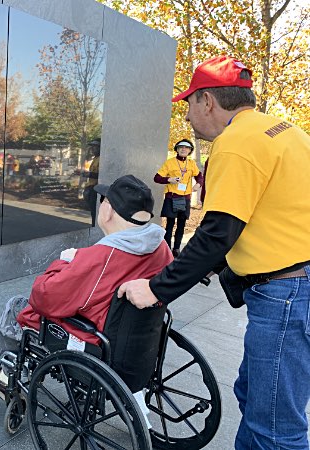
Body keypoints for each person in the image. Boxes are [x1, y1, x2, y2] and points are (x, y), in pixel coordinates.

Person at [118, 55, 310, 450]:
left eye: (189, 104)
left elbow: (217, 233)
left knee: (275, 427)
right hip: (296, 286)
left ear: (207, 101)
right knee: (256, 397)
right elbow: (270, 213)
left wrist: (156, 289)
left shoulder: (235, 143)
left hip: (287, 295)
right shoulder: (287, 132)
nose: (188, 117)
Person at [0, 175, 173, 391]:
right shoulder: (162, 249)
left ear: (109, 211)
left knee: (17, 306)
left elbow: (43, 298)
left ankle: (8, 374)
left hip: (92, 339)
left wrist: (65, 261)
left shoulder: (101, 257)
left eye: (103, 201)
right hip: (135, 346)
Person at [154, 139, 204, 256]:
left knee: (181, 225)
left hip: (185, 198)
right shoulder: (169, 162)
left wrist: (198, 184)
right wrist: (168, 179)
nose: (183, 149)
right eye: (181, 147)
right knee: (170, 224)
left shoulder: (191, 163)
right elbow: (156, 178)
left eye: (186, 148)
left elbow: (199, 176)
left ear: (190, 151)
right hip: (172, 197)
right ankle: (166, 250)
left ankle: (176, 249)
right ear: (176, 149)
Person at [82, 138, 101, 226]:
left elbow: (101, 175)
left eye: (95, 147)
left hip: (96, 189)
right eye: (92, 147)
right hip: (91, 187)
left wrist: (89, 174)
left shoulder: (101, 159)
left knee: (95, 212)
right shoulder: (95, 158)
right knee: (93, 212)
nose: (92, 149)